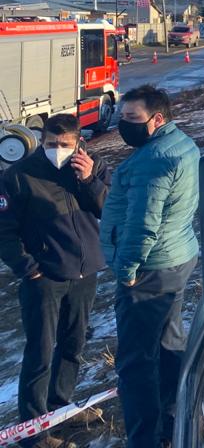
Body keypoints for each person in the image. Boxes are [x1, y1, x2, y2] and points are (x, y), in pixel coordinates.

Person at [0, 115, 111, 448]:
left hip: (85, 272)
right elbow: (4, 232)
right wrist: (28, 267)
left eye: (65, 145)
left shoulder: (95, 167)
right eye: (51, 144)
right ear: (41, 141)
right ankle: (34, 431)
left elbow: (109, 207)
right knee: (40, 353)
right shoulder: (18, 176)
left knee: (73, 345)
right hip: (44, 278)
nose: (58, 151)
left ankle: (60, 407)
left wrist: (89, 178)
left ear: (79, 141)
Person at [100, 86, 200, 448]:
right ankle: (174, 422)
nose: (122, 124)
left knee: (135, 363)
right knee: (168, 342)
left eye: (131, 118)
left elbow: (143, 225)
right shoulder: (180, 143)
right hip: (176, 257)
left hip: (150, 269)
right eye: (121, 116)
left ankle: (145, 439)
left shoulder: (153, 160)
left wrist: (127, 271)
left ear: (157, 119)